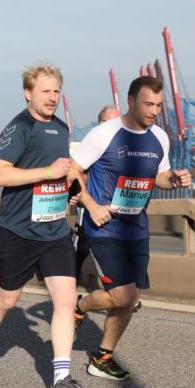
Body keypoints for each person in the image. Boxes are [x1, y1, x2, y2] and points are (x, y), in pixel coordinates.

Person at [0, 63, 91, 388]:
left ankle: (60, 380)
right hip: (17, 230)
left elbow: (63, 170)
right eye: (45, 91)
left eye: (56, 91)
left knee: (66, 301)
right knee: (8, 299)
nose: (52, 97)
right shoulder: (18, 127)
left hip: (54, 229)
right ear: (28, 93)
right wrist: (46, 172)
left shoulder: (60, 127)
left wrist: (67, 188)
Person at [70, 76, 192, 380]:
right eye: (148, 104)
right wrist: (90, 204)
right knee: (123, 295)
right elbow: (71, 170)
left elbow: (160, 177)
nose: (153, 111)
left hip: (137, 228)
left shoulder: (160, 137)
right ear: (131, 101)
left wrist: (173, 179)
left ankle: (102, 357)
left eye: (159, 106)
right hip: (105, 227)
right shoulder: (104, 133)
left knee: (130, 296)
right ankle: (81, 305)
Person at [74, 106, 121, 280]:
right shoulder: (94, 142)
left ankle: (121, 293)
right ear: (99, 124)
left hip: (115, 210)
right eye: (108, 122)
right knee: (81, 249)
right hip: (90, 208)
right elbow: (74, 172)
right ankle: (67, 290)